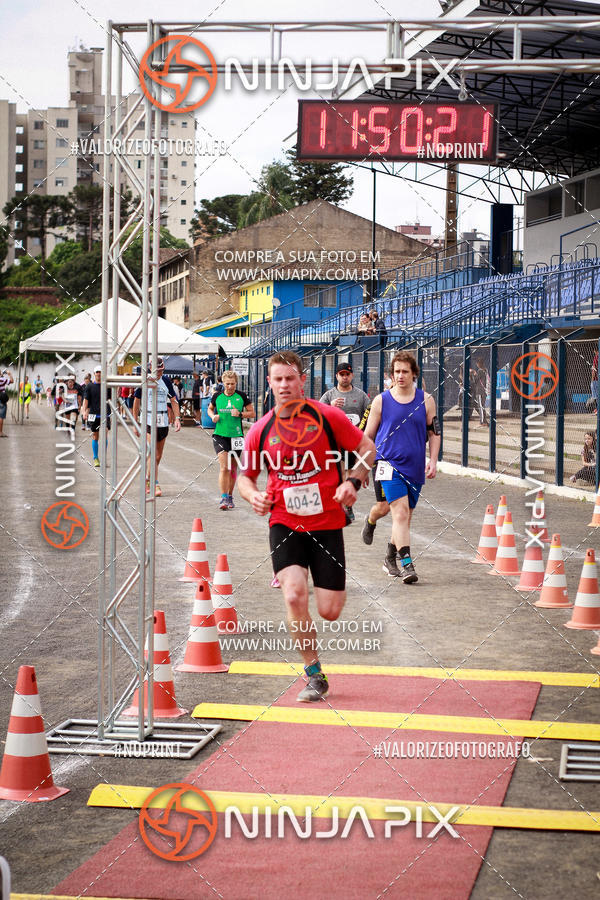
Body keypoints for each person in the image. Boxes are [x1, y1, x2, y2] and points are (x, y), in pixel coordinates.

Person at [238, 351, 375, 702]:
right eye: (277, 379)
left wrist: (353, 482)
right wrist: (252, 494)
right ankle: (313, 673)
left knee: (330, 611)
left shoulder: (327, 417)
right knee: (295, 594)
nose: (284, 385)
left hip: (327, 524)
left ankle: (321, 600)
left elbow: (366, 448)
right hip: (284, 522)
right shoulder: (261, 429)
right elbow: (245, 477)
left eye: (290, 378)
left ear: (302, 379)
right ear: (269, 383)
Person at [363, 351, 440, 584]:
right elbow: (367, 435)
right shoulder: (381, 400)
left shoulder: (426, 400)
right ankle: (407, 563)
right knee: (400, 512)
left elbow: (434, 433)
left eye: (405, 371)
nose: (400, 376)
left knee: (406, 518)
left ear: (414, 374)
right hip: (387, 463)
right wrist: (363, 467)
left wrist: (433, 460)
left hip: (414, 466)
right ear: (391, 374)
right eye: (397, 371)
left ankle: (389, 557)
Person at [320, 361, 370, 523]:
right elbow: (318, 414)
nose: (345, 377)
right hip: (336, 442)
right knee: (340, 473)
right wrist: (331, 406)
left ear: (352, 376)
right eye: (341, 374)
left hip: (354, 441)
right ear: (337, 376)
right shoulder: (329, 395)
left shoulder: (361, 395)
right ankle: (342, 506)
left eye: (347, 374)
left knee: (351, 473)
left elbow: (369, 413)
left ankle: (347, 503)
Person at [133, 357, 181, 496]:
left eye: (161, 371)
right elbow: (137, 402)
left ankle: (147, 479)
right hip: (148, 419)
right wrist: (135, 422)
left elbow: (173, 400)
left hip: (163, 421)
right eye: (156, 371)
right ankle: (155, 484)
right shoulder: (145, 380)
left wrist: (177, 418)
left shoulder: (166, 381)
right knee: (152, 454)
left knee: (158, 456)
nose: (159, 373)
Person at [208, 369, 255, 510]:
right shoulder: (217, 396)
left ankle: (229, 496)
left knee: (233, 468)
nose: (230, 386)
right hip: (220, 435)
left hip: (236, 436)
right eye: (227, 384)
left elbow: (252, 413)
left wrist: (240, 414)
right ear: (223, 383)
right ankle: (223, 498)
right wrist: (212, 417)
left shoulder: (241, 396)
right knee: (224, 467)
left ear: (236, 383)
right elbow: (210, 409)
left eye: (233, 384)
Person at [82, 366, 112, 467]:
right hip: (93, 414)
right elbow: (86, 400)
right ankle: (95, 458)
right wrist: (84, 412)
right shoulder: (89, 386)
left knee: (105, 433)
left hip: (105, 413)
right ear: (94, 374)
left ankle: (104, 457)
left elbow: (112, 399)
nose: (99, 374)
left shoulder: (107, 385)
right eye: (97, 372)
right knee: (95, 436)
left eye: (101, 372)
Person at [0, 369, 14, 438]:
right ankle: (0, 432)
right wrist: (9, 374)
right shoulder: (2, 380)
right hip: (1, 398)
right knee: (1, 416)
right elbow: (12, 381)